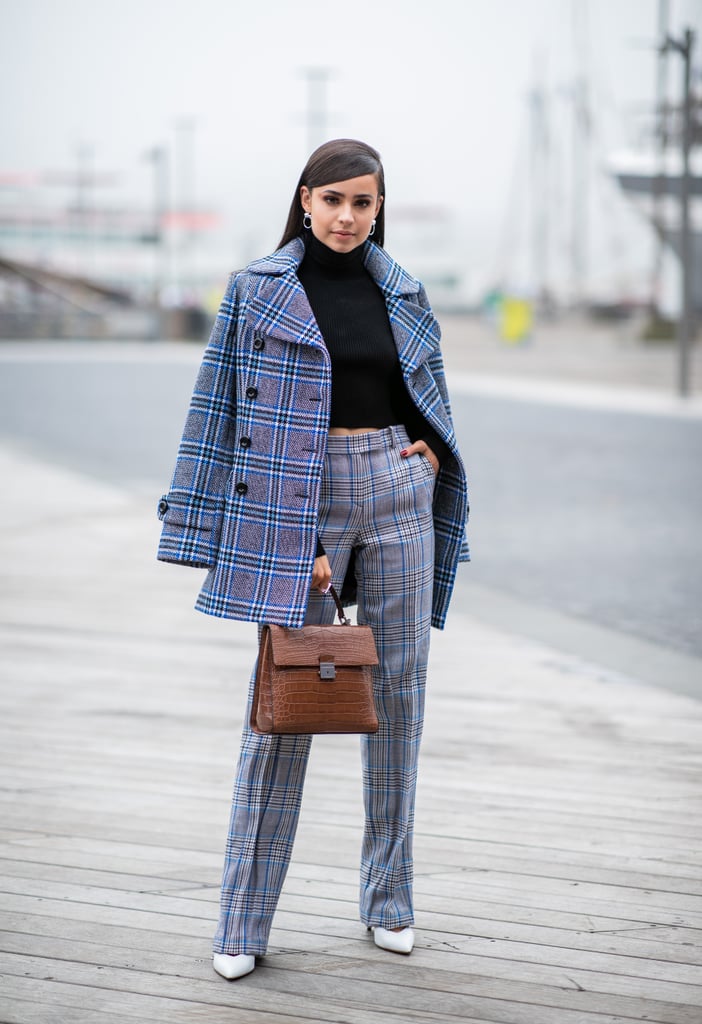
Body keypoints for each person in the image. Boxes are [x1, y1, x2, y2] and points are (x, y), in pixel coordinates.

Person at [157, 138, 469, 980]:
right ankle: (241, 924)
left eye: (362, 203)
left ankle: (389, 902)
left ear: (378, 209)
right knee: (282, 712)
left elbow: (427, 390)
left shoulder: (402, 289)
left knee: (399, 703)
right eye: (332, 200)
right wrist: (218, 529)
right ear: (304, 201)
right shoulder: (257, 292)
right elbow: (214, 409)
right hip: (301, 497)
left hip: (398, 489)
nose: (346, 217)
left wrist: (433, 453)